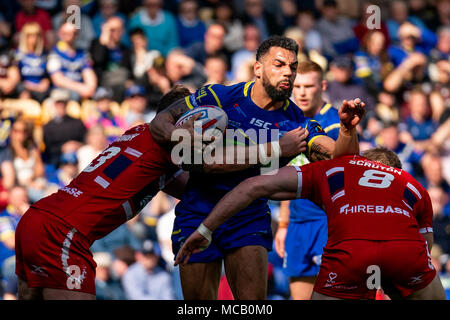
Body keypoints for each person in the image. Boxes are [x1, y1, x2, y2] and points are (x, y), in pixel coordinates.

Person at [15, 84, 306, 300]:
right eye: (196, 117)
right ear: (179, 119)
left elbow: (192, 189)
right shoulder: (171, 147)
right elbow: (213, 166)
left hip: (38, 218)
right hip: (64, 232)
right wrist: (277, 149)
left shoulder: (139, 137)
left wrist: (248, 191)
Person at [149, 35, 365, 300]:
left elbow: (342, 162)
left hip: (248, 218)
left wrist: (346, 130)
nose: (288, 72)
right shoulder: (219, 96)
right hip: (197, 211)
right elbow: (160, 121)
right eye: (279, 64)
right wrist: (180, 138)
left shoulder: (296, 123)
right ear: (258, 68)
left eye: (293, 66)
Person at [176, 147, 446, 300]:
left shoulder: (336, 167)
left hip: (350, 250)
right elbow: (426, 247)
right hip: (405, 251)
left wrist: (205, 228)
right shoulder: (413, 184)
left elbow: (253, 186)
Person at [274, 60, 340, 300]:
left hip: (327, 221)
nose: (301, 92)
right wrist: (283, 224)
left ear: (322, 86)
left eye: (308, 86)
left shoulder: (335, 124)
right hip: (297, 223)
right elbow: (289, 173)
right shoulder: (287, 119)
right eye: (297, 86)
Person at [47, 23, 97, 101]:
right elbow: (58, 80)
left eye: (73, 33)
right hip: (62, 92)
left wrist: (90, 88)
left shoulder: (83, 54)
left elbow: (89, 74)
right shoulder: (54, 53)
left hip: (83, 92)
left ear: (77, 35)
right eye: (66, 33)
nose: (70, 36)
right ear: (60, 34)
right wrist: (81, 88)